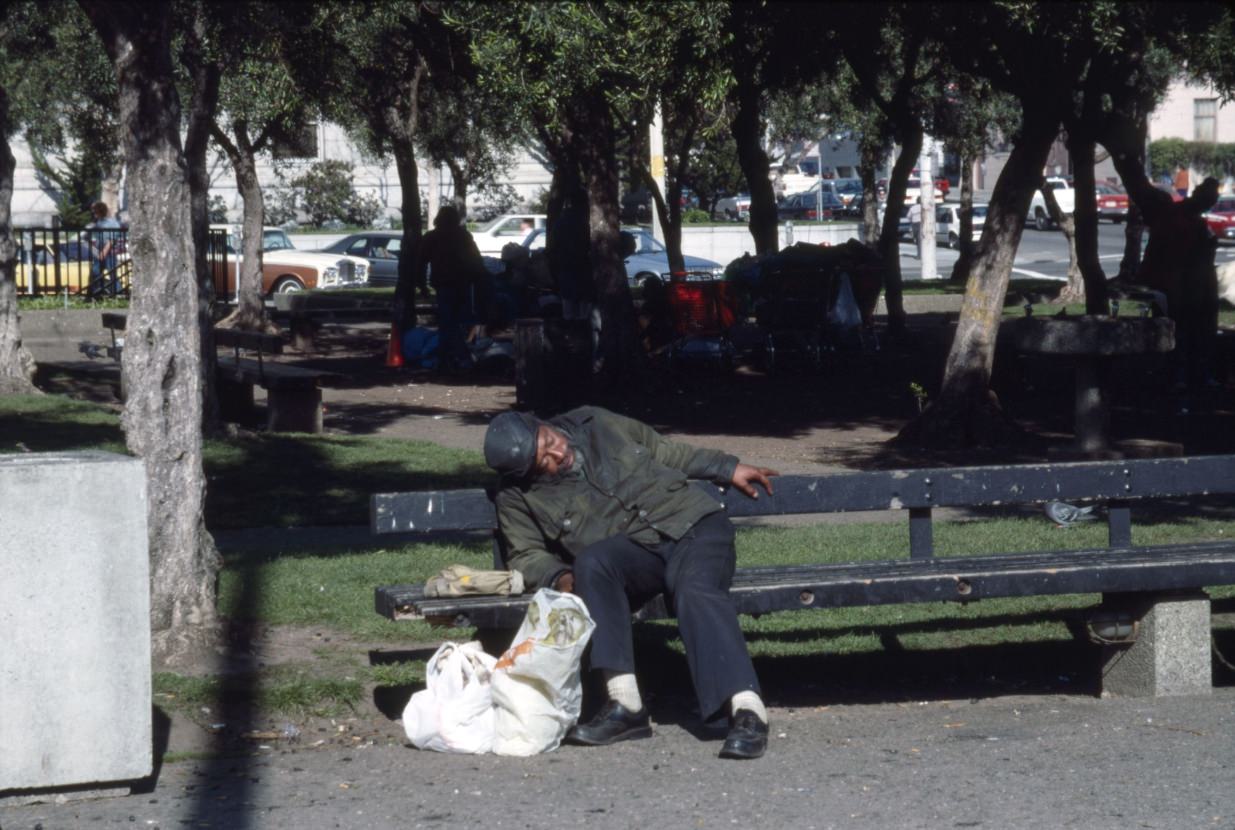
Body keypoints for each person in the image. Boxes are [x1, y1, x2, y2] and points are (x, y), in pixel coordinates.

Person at [483, 407, 779, 760]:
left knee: (694, 589)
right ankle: (625, 705)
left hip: (693, 523)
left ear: (542, 424)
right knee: (591, 563)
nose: (557, 454)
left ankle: (747, 710)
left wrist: (727, 467)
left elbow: (664, 450)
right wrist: (559, 576)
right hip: (638, 546)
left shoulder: (595, 423)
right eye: (543, 461)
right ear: (526, 472)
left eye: (550, 441)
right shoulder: (515, 495)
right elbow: (526, 554)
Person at [1131, 176, 1221, 393]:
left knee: (1192, 330)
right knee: (1179, 330)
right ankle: (1180, 374)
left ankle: (1191, 373)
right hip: (1178, 284)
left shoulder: (1192, 221)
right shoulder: (1180, 219)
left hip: (1192, 284)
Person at [414, 205, 486, 373]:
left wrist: (422, 285)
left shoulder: (432, 237)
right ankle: (459, 357)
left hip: (443, 284)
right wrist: (479, 280)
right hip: (463, 284)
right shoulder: (464, 236)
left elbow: (421, 263)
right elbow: (476, 260)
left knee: (447, 323)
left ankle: (447, 358)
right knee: (461, 322)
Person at [86, 201, 123, 298]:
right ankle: (96, 293)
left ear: (100, 211)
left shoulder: (112, 223)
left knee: (112, 274)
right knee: (95, 273)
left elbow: (111, 240)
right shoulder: (98, 223)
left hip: (109, 252)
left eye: (95, 212)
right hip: (99, 251)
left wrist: (104, 252)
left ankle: (118, 293)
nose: (93, 214)